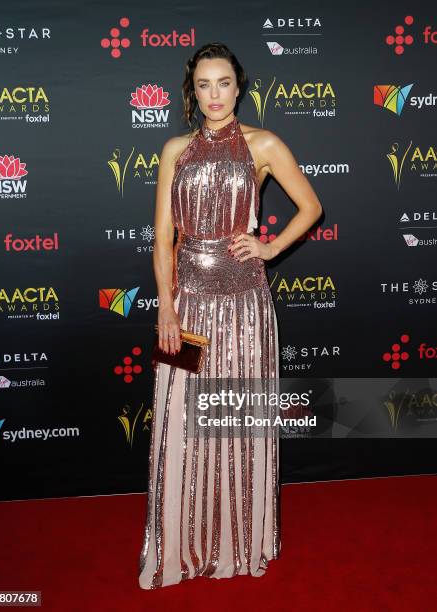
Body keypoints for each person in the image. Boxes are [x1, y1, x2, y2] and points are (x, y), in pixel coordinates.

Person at [139, 42, 322, 589]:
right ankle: (182, 542)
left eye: (223, 83)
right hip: (190, 306)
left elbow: (310, 206)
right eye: (203, 85)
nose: (214, 95)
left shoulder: (262, 144)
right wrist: (166, 308)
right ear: (191, 93)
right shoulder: (175, 149)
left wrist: (269, 247)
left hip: (245, 306)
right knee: (181, 423)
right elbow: (164, 239)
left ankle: (241, 540)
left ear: (238, 87)